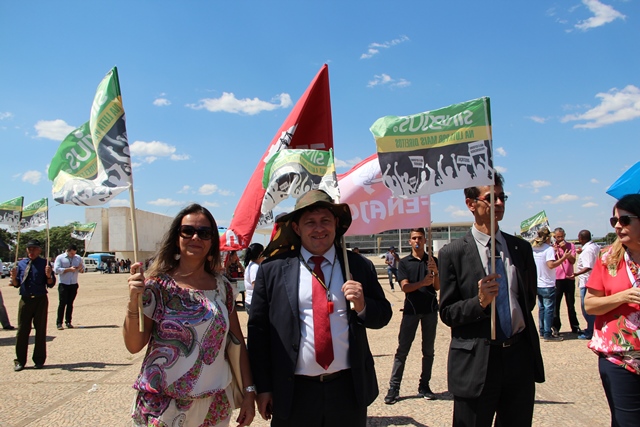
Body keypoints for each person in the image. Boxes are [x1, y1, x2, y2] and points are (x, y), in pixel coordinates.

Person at [248, 190, 392, 427]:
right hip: (293, 392)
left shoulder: (357, 266)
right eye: (310, 222)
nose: (319, 229)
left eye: (325, 220)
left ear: (336, 223)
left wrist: (363, 306)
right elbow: (258, 333)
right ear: (296, 228)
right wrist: (263, 388)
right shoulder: (273, 270)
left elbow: (383, 316)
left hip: (347, 390)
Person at [124, 203, 255, 426]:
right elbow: (133, 345)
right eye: (188, 231)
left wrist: (249, 391)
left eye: (204, 233)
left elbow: (236, 341)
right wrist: (132, 302)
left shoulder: (222, 288)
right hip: (162, 406)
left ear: (212, 242)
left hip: (213, 406)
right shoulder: (157, 286)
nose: (196, 237)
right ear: (177, 237)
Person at [439, 173, 544, 427]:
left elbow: (528, 300)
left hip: (518, 357)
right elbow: (448, 313)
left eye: (502, 197)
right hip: (477, 362)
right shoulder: (453, 253)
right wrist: (480, 302)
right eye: (491, 197)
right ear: (470, 203)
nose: (499, 203)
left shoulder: (520, 249)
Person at [585, 194, 640, 427]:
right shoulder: (608, 258)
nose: (617, 226)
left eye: (624, 220)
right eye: (614, 221)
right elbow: (590, 305)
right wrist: (622, 297)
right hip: (620, 358)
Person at [384, 228, 440, 405]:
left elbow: (437, 287)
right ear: (409, 241)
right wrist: (422, 283)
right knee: (402, 350)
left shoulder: (432, 261)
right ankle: (394, 388)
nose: (417, 241)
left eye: (420, 238)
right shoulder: (404, 263)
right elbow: (405, 287)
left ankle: (424, 385)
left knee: (428, 351)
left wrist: (435, 273)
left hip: (430, 310)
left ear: (425, 240)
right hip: (411, 311)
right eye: (414, 238)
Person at [9, 239, 56, 371]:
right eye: (29, 249)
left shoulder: (45, 264)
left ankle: (39, 359)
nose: (31, 251)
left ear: (39, 250)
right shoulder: (21, 264)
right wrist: (13, 278)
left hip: (40, 300)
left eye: (34, 249)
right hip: (25, 300)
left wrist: (48, 276)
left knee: (40, 330)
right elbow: (16, 284)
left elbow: (51, 284)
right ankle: (20, 361)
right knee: (22, 330)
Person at [532, 227, 570, 342]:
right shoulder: (548, 249)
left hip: (538, 283)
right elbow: (551, 265)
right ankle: (547, 333)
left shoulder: (535, 248)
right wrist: (563, 258)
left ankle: (542, 330)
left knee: (541, 308)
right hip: (547, 283)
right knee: (548, 309)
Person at [552, 227, 581, 337]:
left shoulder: (570, 246)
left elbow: (572, 261)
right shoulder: (552, 247)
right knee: (556, 305)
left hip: (569, 278)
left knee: (571, 304)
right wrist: (554, 251)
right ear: (554, 237)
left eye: (562, 236)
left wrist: (565, 249)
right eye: (558, 237)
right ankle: (555, 327)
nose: (560, 239)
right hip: (557, 279)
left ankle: (575, 326)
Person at [571, 230, 598, 340]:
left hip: (587, 282)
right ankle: (592, 329)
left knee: (587, 308)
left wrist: (575, 274)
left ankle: (590, 331)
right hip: (592, 281)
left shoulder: (588, 251)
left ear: (581, 238)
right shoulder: (594, 247)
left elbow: (588, 267)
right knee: (591, 308)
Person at [54, 244, 84, 330]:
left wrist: (80, 268)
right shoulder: (60, 258)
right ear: (67, 251)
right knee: (62, 303)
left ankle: (68, 321)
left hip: (73, 283)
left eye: (74, 253)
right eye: (71, 253)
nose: (73, 255)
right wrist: (68, 269)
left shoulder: (78, 258)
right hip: (64, 283)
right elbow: (56, 269)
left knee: (70, 303)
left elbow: (82, 270)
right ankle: (59, 323)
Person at [243, 243, 264, 317]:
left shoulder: (251, 265)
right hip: (254, 302)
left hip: (251, 301)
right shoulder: (255, 267)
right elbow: (256, 286)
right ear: (260, 253)